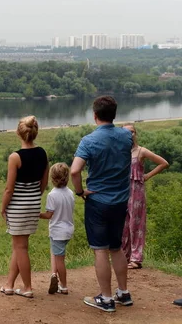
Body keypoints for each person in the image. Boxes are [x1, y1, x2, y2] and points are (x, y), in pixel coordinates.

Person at [71, 95, 134, 313]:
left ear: (95, 115)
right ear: (114, 114)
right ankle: (123, 293)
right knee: (117, 247)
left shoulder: (89, 140)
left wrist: (80, 192)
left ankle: (106, 299)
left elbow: (74, 170)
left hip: (97, 201)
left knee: (100, 250)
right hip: (121, 200)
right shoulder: (127, 137)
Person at [0, 116, 49, 299]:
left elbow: (9, 188)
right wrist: (35, 196)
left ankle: (27, 287)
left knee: (20, 247)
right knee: (19, 245)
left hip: (17, 206)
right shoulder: (43, 153)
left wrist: (3, 207)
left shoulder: (15, 157)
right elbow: (44, 182)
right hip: (33, 203)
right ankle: (9, 285)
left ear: (18, 132)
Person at [121, 123, 169, 269]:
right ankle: (124, 257)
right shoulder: (120, 152)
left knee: (136, 225)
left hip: (137, 193)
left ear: (136, 134)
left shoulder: (141, 151)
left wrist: (147, 176)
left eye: (132, 132)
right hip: (122, 193)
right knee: (123, 226)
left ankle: (136, 259)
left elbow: (164, 163)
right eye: (126, 133)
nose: (130, 135)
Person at [40, 162, 75, 296]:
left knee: (60, 259)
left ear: (52, 178)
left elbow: (49, 215)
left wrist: (37, 214)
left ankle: (64, 286)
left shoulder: (52, 195)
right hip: (68, 229)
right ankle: (53, 275)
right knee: (55, 253)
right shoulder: (70, 193)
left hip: (57, 231)